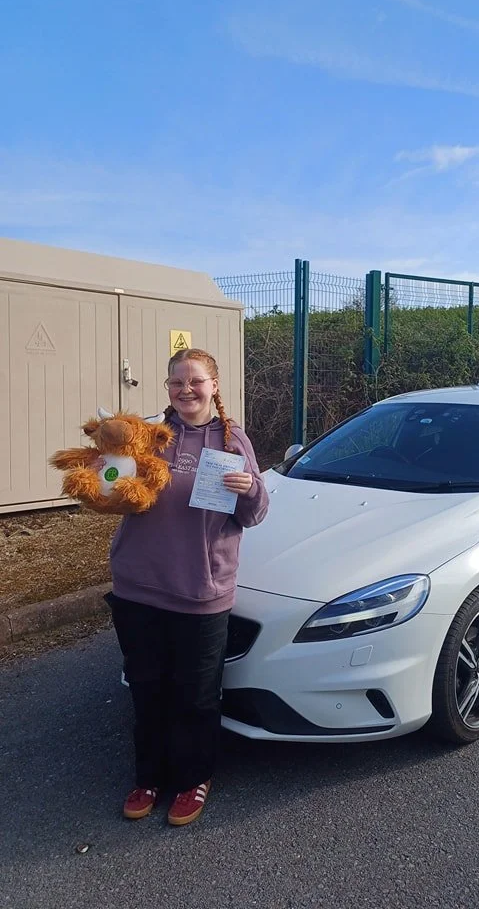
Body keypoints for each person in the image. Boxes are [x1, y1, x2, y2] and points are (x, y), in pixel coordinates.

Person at [108, 347, 269, 826]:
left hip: (201, 590)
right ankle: (149, 777)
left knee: (196, 696)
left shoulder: (232, 440)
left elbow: (255, 514)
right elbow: (110, 484)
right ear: (168, 388)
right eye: (177, 382)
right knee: (147, 688)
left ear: (214, 386)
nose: (186, 390)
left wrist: (250, 489)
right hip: (138, 586)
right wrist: (104, 478)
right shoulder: (147, 436)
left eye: (195, 381)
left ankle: (194, 778)